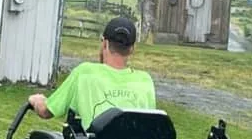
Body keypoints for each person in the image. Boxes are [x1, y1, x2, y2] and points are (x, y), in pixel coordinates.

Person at [28, 16, 156, 128]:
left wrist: (36, 100)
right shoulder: (145, 81)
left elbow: (46, 111)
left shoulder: (85, 73)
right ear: (132, 49)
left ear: (104, 43)